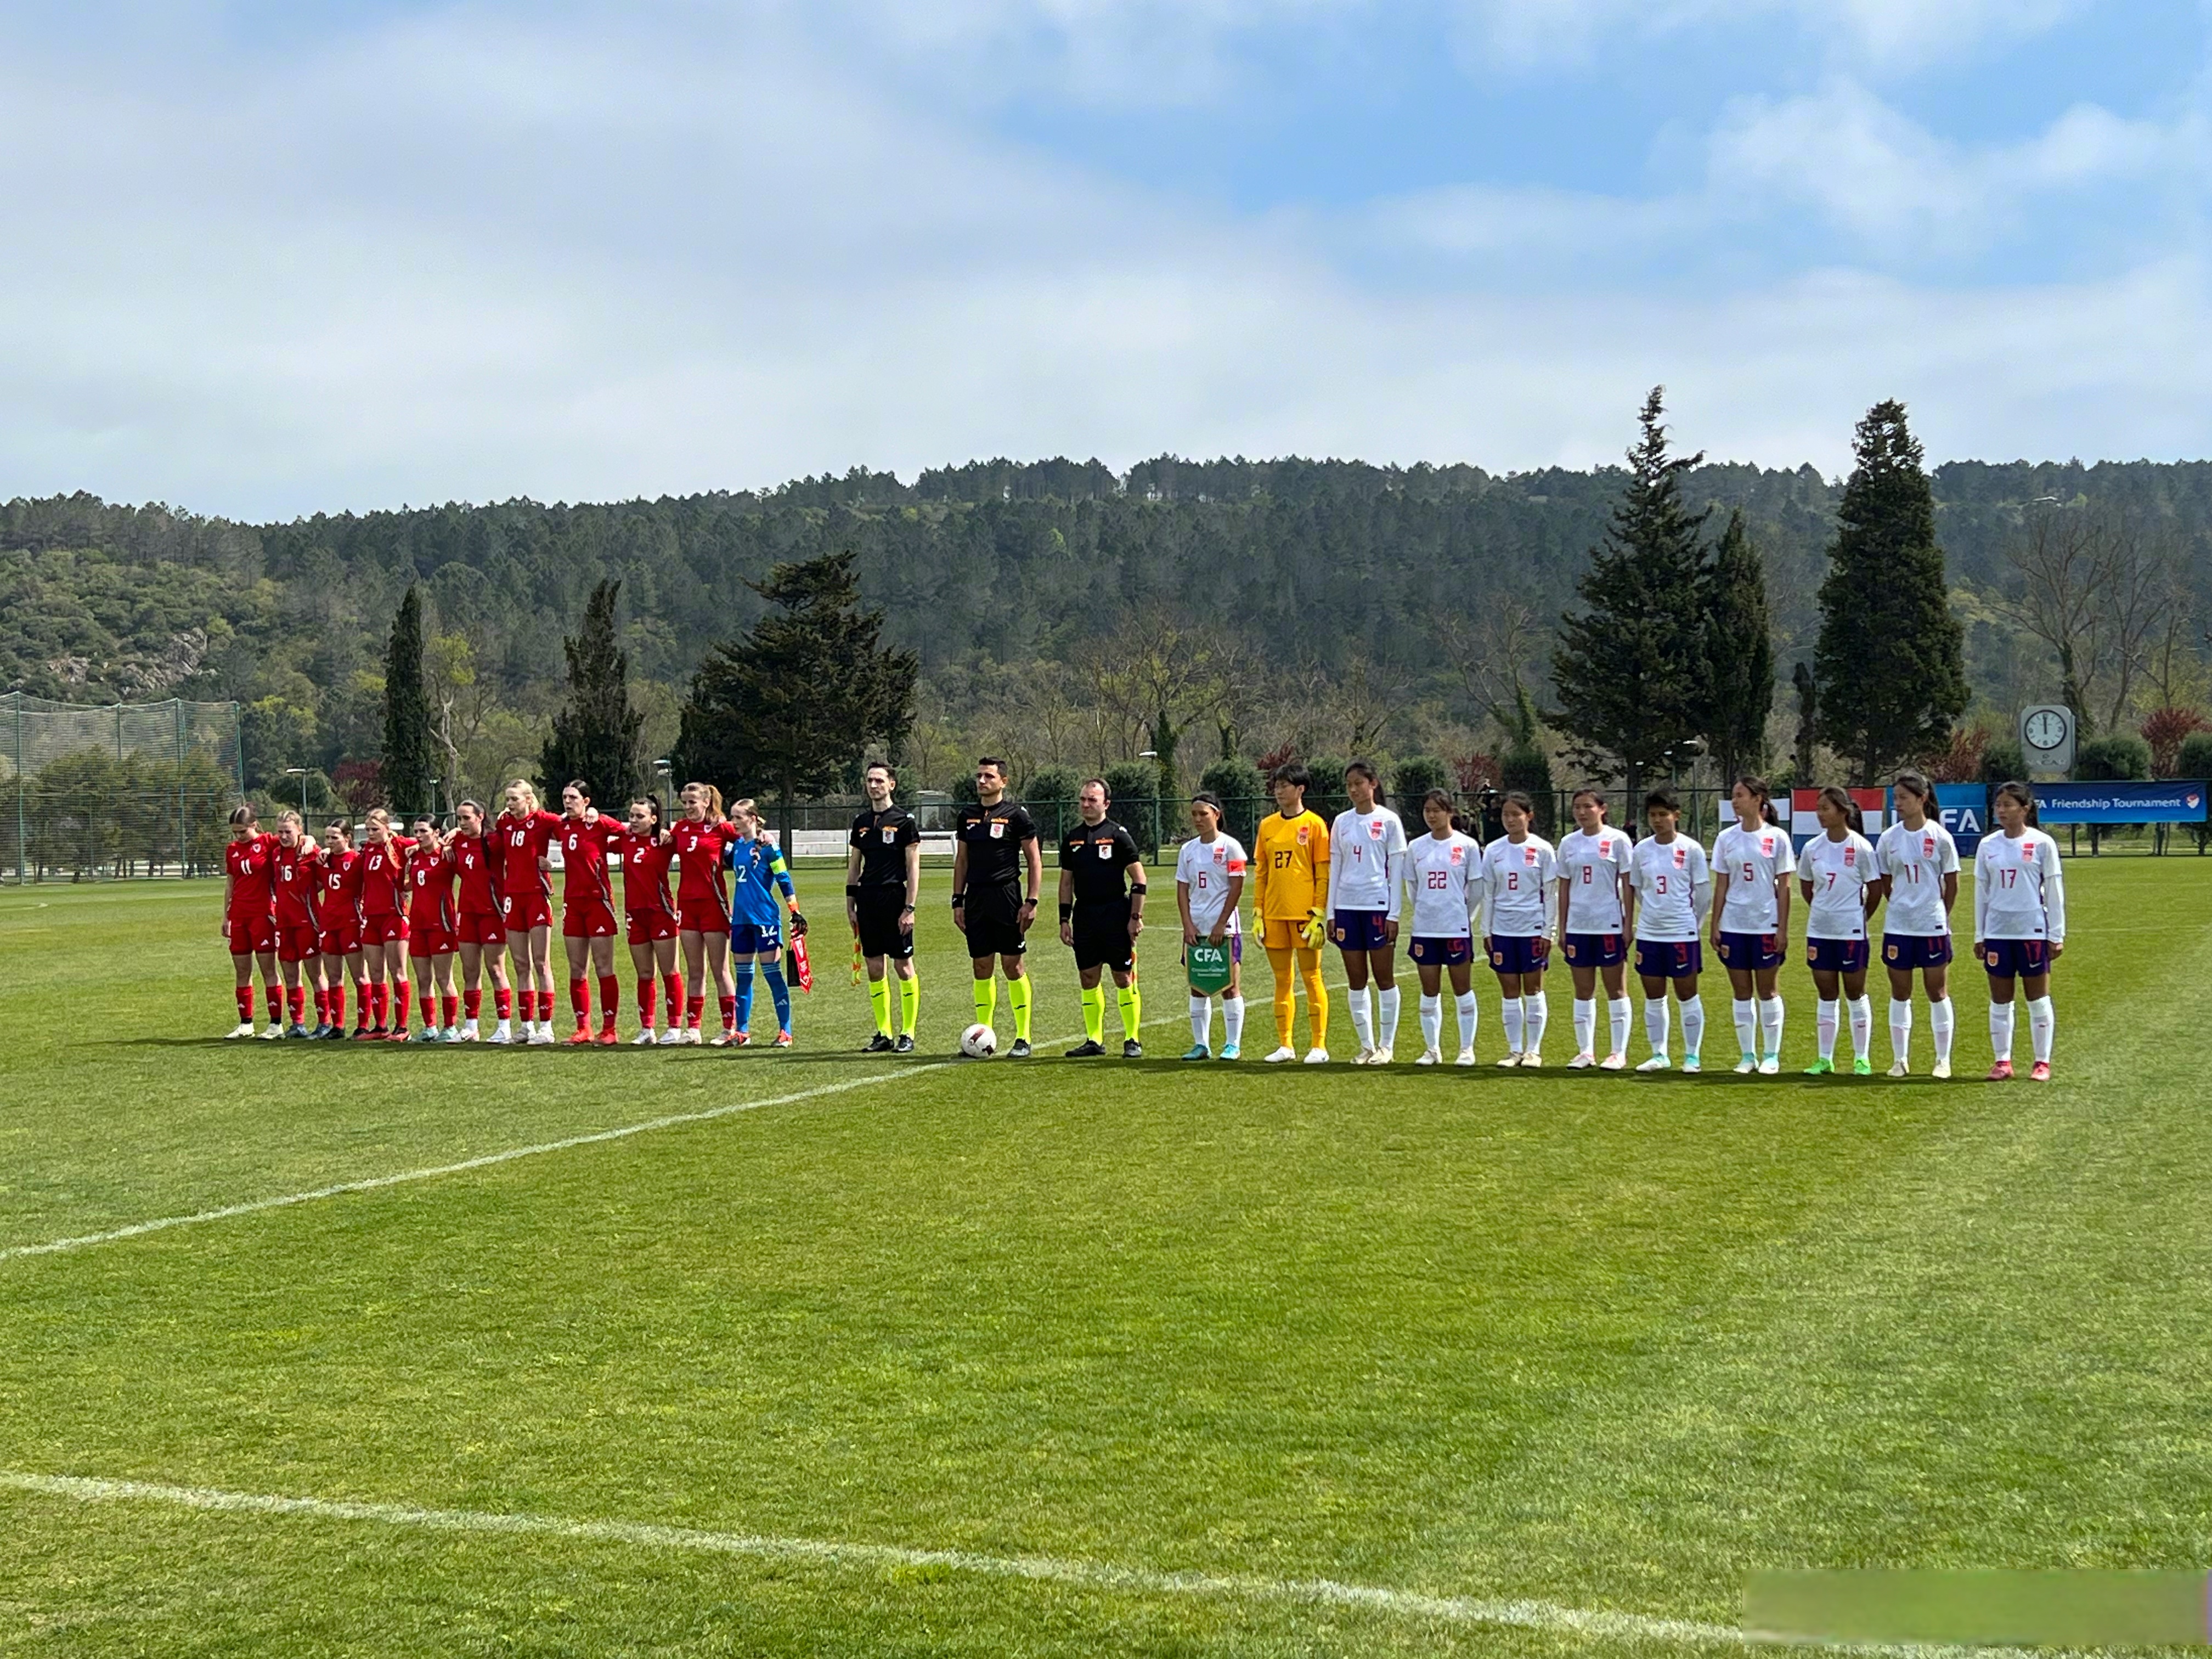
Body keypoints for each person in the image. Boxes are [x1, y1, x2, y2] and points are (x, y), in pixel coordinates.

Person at [951, 758, 1043, 1058]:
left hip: (1007, 898)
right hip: (975, 899)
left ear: (1003, 781)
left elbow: (1034, 860)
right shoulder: (967, 816)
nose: (981, 781)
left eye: (988, 776)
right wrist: (958, 900)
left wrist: (1032, 901)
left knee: (1013, 966)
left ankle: (1024, 1037)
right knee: (981, 967)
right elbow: (962, 861)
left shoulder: (1017, 816)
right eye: (978, 775)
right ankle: (982, 1036)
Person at [1973, 781, 2065, 1081]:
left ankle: (2042, 1063)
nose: (2001, 810)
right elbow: (1981, 892)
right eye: (1998, 805)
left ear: (2025, 809)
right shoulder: (1988, 845)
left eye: (2008, 805)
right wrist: (1980, 934)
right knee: (2000, 1000)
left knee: (2037, 999)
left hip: (2032, 931)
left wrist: (2056, 934)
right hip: (1998, 932)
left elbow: (2053, 890)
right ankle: (2002, 1062)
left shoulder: (2042, 843)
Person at [1875, 770, 1962, 1077]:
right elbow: (1886, 882)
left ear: (1921, 799)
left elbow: (1952, 883)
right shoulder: (1889, 839)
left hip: (1932, 926)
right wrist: (1901, 907)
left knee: (1937, 991)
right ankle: (1900, 1060)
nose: (1897, 803)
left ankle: (1943, 1060)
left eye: (1903, 798)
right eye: (1895, 797)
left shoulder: (1940, 837)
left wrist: (1940, 913)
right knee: (1900, 992)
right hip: (1899, 926)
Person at [1709, 775, 1794, 1075]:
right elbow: (1721, 884)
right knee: (1741, 991)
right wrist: (1715, 923)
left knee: (1768, 990)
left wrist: (1782, 928)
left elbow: (1785, 888)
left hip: (1765, 925)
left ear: (1758, 799)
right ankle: (1748, 1056)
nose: (1735, 800)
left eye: (1740, 795)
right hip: (1735, 925)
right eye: (1733, 795)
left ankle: (1771, 1055)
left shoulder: (1777, 838)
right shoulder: (1726, 838)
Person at [1058, 778, 1147, 1058]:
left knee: (1123, 977)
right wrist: (1064, 919)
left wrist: (1135, 917)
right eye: (1083, 799)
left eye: (1092, 800)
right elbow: (1065, 884)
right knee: (1088, 977)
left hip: (1115, 913)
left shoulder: (1118, 835)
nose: (1086, 804)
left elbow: (1139, 879)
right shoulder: (1072, 837)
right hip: (1085, 915)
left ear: (1106, 804)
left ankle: (1132, 1039)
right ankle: (1093, 1040)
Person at [1328, 760, 1407, 1065]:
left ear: (1373, 784)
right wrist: (1331, 913)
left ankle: (1387, 1046)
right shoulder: (1341, 822)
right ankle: (1367, 1046)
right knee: (1356, 979)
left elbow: (1396, 871)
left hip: (1377, 907)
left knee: (1384, 977)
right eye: (1349, 784)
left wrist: (1394, 914)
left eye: (1359, 783)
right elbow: (1336, 868)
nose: (1353, 789)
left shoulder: (1389, 821)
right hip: (1347, 908)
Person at [1252, 764, 1331, 1064]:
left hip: (1304, 916)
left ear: (1300, 789)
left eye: (1285, 785)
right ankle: (1286, 1045)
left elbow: (1322, 873)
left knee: (1312, 977)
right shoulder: (1267, 826)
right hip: (1274, 914)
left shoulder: (1315, 825)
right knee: (1282, 980)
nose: (1278, 790)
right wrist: (1258, 910)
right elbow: (1262, 872)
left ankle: (1319, 1046)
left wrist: (1319, 912)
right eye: (1276, 785)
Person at [1799, 786, 1880, 1076]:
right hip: (1820, 931)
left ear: (1843, 812)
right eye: (1818, 809)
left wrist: (1859, 917)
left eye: (1825, 809)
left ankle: (1862, 1058)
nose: (1820, 814)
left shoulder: (1861, 848)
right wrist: (1825, 911)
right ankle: (1824, 1059)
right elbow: (1807, 888)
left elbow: (1876, 889)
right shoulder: (1812, 849)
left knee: (1855, 993)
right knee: (1826, 993)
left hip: (1851, 932)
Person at [1628, 788, 1711, 1071]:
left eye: (1663, 814)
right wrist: (1653, 914)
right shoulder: (1641, 850)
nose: (1658, 820)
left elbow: (1702, 894)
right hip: (1650, 934)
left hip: (1682, 934)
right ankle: (1659, 1054)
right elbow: (1638, 890)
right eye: (1653, 815)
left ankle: (1692, 1056)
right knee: (1653, 996)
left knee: (1687, 995)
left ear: (1676, 816)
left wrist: (1692, 924)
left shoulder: (1691, 849)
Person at [1554, 787, 1634, 1070]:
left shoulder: (1618, 840)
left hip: (1609, 925)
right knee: (1583, 990)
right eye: (1577, 807)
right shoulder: (1568, 843)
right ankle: (1586, 1052)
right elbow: (1563, 887)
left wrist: (1627, 923)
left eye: (1588, 806)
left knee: (1616, 989)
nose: (1581, 812)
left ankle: (1617, 1052)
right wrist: (1562, 927)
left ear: (1602, 809)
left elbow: (1628, 884)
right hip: (1579, 926)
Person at [1403, 789, 1483, 1066]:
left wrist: (1463, 916)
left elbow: (1475, 890)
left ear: (1450, 812)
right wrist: (1427, 909)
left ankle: (1466, 1049)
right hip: (1426, 929)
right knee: (1429, 991)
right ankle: (1432, 1050)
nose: (1432, 815)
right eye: (1427, 810)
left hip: (1456, 928)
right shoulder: (1416, 847)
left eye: (1437, 810)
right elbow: (1412, 888)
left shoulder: (1467, 846)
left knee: (1462, 989)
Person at [847, 762, 922, 1053]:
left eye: (879, 780)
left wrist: (910, 907)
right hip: (868, 901)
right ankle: (883, 1033)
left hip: (895, 899)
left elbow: (913, 867)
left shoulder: (904, 821)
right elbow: (854, 865)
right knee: (875, 967)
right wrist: (850, 902)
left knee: (903, 967)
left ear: (892, 784)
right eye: (869, 780)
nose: (874, 785)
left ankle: (908, 1033)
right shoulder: (861, 822)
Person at [1480, 789, 1558, 1067]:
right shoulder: (1493, 850)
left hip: (1532, 929)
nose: (1510, 820)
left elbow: (1550, 894)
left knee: (1533, 989)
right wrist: (1486, 931)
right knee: (1509, 990)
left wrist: (1548, 931)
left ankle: (1533, 1050)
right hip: (1503, 929)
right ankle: (1514, 1050)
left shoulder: (1542, 850)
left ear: (1529, 817)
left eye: (1516, 814)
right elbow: (1488, 893)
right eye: (1506, 815)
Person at [723, 797, 806, 1047]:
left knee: (773, 975)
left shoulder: (770, 847)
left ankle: (786, 1032)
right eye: (732, 817)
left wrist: (795, 911)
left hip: (765, 918)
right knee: (744, 977)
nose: (734, 822)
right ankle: (743, 1031)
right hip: (740, 920)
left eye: (738, 817)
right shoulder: (736, 847)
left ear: (752, 818)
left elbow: (784, 878)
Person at [1175, 792, 1248, 1060]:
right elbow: (1182, 889)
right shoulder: (1187, 850)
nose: (1198, 819)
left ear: (1216, 815)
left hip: (1225, 929)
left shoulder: (1232, 847)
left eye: (1203, 814)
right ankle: (1201, 1044)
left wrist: (1221, 923)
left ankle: (1233, 1045)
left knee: (1229, 985)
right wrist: (1187, 926)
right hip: (1197, 928)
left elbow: (1237, 886)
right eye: (1194, 814)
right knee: (1198, 984)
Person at [556, 780, 625, 1046]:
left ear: (586, 801)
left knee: (603, 966)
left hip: (599, 903)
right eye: (565, 797)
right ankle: (582, 1028)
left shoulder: (600, 823)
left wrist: (597, 815)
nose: (568, 802)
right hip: (573, 904)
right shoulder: (561, 825)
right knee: (577, 968)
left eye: (573, 797)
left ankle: (609, 1029)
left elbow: (630, 832)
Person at [496, 780, 565, 1046]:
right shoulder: (505, 823)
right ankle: (526, 1025)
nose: (510, 804)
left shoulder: (545, 820)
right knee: (520, 964)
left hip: (537, 895)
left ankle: (546, 1027)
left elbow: (572, 837)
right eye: (508, 799)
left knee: (541, 962)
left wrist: (555, 863)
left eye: (514, 799)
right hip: (513, 897)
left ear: (528, 798)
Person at [671, 782, 739, 1045]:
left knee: (720, 969)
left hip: (714, 905)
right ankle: (694, 1029)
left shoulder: (722, 828)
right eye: (685, 803)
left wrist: (763, 838)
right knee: (695, 970)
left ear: (706, 802)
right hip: (687, 905)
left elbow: (746, 834)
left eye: (693, 802)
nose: (688, 807)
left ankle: (729, 1027)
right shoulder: (680, 829)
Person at [618, 796, 683, 1044]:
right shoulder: (625, 839)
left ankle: (675, 1027)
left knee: (670, 971)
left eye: (640, 817)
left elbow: (691, 839)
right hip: (635, 914)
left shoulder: (665, 842)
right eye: (631, 816)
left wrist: (670, 831)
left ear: (653, 819)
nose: (633, 821)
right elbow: (601, 836)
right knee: (644, 973)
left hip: (661, 913)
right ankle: (647, 1030)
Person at [449, 798, 513, 1043]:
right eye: (459, 819)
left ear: (480, 816)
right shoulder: (457, 842)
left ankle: (504, 1026)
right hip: (467, 912)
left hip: (492, 912)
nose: (462, 823)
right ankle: (471, 1026)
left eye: (467, 818)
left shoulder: (495, 841)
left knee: (496, 970)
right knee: (470, 971)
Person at [221, 805, 283, 1039]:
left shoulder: (268, 842)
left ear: (254, 825)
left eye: (242, 832)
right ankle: (246, 1023)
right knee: (242, 970)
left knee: (268, 969)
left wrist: (308, 841)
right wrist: (226, 916)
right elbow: (230, 883)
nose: (238, 837)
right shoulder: (233, 850)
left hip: (263, 915)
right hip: (239, 915)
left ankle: (276, 1024)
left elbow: (298, 836)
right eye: (235, 833)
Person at [356, 808, 415, 1040]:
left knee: (397, 971)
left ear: (386, 828)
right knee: (376, 973)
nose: (370, 834)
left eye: (375, 829)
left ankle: (402, 1027)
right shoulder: (367, 850)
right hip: (371, 917)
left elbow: (428, 841)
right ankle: (380, 1027)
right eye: (368, 829)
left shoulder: (399, 844)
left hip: (394, 915)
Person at [267, 810, 326, 1039]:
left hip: (307, 921)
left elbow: (323, 881)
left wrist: (307, 897)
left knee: (316, 975)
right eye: (280, 831)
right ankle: (298, 1024)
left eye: (288, 831)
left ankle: (324, 1023)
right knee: (291, 975)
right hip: (284, 923)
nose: (283, 836)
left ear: (299, 830)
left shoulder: (311, 852)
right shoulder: (275, 854)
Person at [404, 817, 461, 1042]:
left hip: (442, 924)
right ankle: (430, 1027)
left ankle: (451, 1027)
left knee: (444, 978)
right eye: (416, 831)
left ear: (437, 832)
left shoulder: (447, 855)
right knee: (423, 979)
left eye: (423, 831)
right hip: (418, 924)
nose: (418, 835)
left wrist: (454, 835)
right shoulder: (415, 855)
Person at [315, 819, 366, 1040]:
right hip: (329, 923)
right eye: (327, 838)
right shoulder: (324, 861)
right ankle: (337, 1025)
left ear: (347, 838)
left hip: (351, 922)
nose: (330, 842)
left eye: (334, 837)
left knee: (359, 977)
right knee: (334, 976)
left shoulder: (357, 860)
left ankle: (364, 1024)